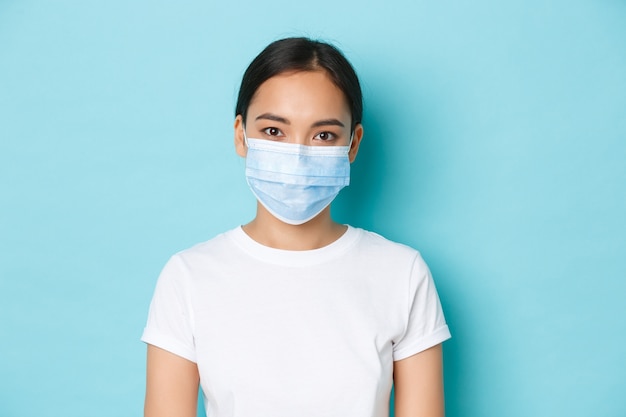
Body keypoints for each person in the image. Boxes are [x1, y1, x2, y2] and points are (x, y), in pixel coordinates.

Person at [141, 37, 451, 417]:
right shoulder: (188, 277)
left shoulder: (402, 274)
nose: (299, 154)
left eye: (324, 135)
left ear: (352, 145)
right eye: (274, 131)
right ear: (241, 135)